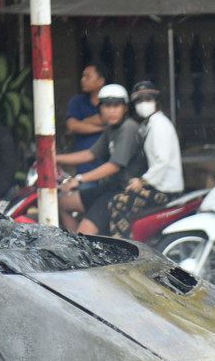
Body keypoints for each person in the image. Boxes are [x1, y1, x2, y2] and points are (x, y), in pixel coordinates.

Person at [54, 84, 144, 234]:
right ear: (99, 108)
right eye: (107, 106)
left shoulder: (128, 128)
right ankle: (77, 248)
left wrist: (79, 179)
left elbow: (114, 166)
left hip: (122, 191)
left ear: (125, 108)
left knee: (85, 232)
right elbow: (90, 154)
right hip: (109, 186)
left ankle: (82, 252)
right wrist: (55, 158)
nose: (112, 111)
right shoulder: (111, 128)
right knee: (63, 203)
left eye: (116, 106)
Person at [104, 81, 183, 238]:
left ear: (156, 102)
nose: (143, 104)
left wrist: (142, 181)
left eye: (148, 99)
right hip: (157, 186)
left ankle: (126, 250)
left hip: (167, 190)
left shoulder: (160, 125)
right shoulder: (149, 125)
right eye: (139, 101)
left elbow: (162, 161)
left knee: (119, 203)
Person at [64, 63, 109, 186]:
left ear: (101, 81)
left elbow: (107, 118)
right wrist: (103, 129)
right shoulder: (77, 101)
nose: (82, 80)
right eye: (82, 76)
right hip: (85, 169)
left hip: (108, 168)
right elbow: (72, 126)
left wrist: (82, 123)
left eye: (88, 76)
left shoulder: (110, 101)